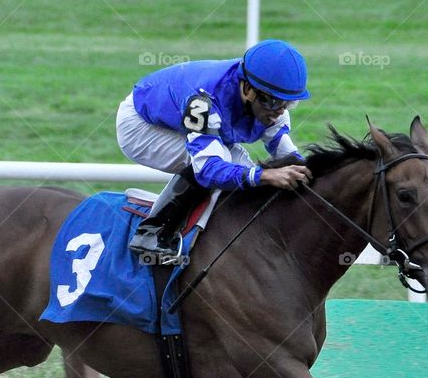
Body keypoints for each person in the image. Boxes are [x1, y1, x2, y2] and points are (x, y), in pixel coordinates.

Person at [116, 39, 313, 257]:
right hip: (140, 126)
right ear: (248, 89)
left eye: (288, 104)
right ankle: (152, 232)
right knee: (220, 164)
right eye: (273, 102)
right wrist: (265, 175)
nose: (279, 111)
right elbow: (208, 169)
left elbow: (285, 151)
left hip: (181, 118)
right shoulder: (203, 100)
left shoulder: (265, 93)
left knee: (243, 172)